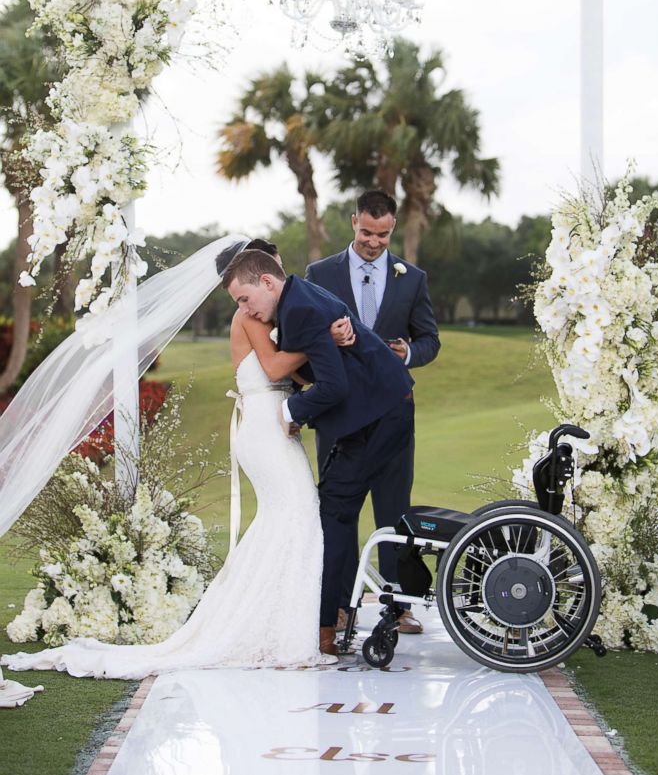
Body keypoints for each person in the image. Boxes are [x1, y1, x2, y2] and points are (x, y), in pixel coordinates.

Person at [1, 238, 349, 678]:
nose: (278, 272)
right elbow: (276, 368)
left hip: (272, 418)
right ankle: (270, 630)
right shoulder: (250, 314)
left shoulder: (275, 311)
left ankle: (274, 625)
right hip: (264, 424)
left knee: (291, 518)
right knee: (296, 515)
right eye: (269, 266)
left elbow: (289, 370)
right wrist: (326, 338)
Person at [222, 247, 415, 657]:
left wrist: (292, 410)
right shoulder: (298, 301)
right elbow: (313, 367)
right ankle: (328, 619)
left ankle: (327, 623)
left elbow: (333, 385)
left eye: (245, 299)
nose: (245, 310)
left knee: (330, 512)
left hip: (374, 418)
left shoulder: (300, 309)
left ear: (268, 282)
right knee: (327, 511)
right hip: (372, 413)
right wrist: (325, 343)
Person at [306, 190, 440, 634]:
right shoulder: (319, 274)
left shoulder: (413, 277)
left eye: (383, 234)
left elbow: (430, 341)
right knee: (338, 513)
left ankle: (398, 605)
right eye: (367, 232)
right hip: (341, 415)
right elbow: (305, 340)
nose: (375, 242)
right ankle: (339, 605)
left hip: (393, 416)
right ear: (353, 222)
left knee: (394, 510)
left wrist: (407, 354)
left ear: (393, 227)